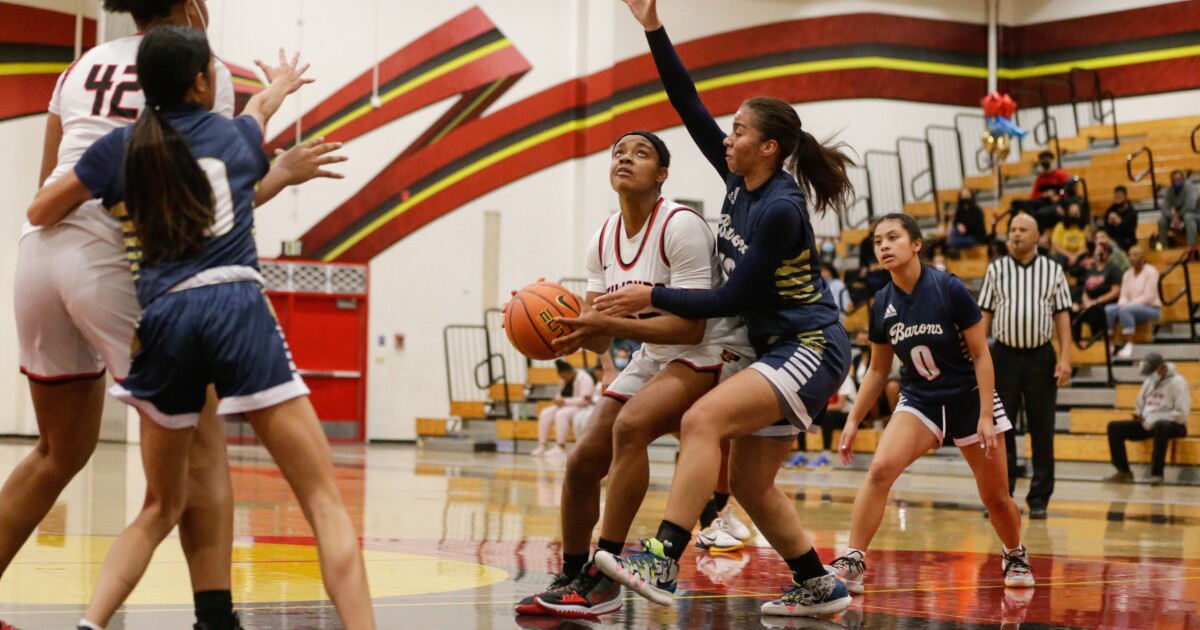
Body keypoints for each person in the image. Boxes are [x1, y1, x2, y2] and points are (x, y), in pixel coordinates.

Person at [1, 2, 342, 629]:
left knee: (56, 450)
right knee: (203, 445)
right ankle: (214, 616)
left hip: (38, 256)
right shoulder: (204, 69)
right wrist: (285, 174)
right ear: (192, 9)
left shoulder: (81, 65)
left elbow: (50, 180)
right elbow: (212, 193)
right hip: (119, 259)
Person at [589, 0, 855, 617]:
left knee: (701, 423)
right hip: (780, 348)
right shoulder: (742, 178)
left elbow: (731, 299)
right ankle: (819, 584)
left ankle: (662, 557)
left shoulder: (782, 208)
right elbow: (688, 105)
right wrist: (654, 28)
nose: (726, 137)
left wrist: (649, 294)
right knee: (752, 484)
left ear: (767, 147)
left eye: (737, 132)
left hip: (810, 346)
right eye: (729, 130)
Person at [514, 130, 756, 618]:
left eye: (640, 153)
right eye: (618, 153)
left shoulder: (681, 226)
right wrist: (554, 325)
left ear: (662, 174)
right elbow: (600, 336)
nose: (626, 158)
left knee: (631, 426)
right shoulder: (603, 238)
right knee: (583, 458)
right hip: (655, 353)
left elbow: (692, 326)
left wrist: (609, 325)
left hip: (716, 349)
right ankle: (574, 571)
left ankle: (608, 577)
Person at [828, 213, 1033, 594]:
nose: (884, 245)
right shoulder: (881, 303)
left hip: (970, 398)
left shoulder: (949, 288)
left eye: (893, 237)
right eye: (877, 241)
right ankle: (853, 559)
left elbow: (981, 355)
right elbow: (877, 370)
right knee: (879, 471)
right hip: (921, 401)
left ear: (916, 244)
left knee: (996, 498)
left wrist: (987, 415)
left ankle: (1014, 553)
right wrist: (854, 419)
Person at [978, 213, 1073, 520]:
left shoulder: (1052, 269)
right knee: (1000, 431)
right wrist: (979, 357)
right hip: (1003, 356)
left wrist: (1065, 357)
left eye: (1022, 230)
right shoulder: (997, 269)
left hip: (1040, 357)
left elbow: (1062, 316)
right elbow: (985, 314)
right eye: (1012, 229)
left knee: (1042, 430)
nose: (1015, 234)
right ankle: (1000, 495)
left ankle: (1040, 498)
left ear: (1036, 237)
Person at [1106, 353, 1191, 485]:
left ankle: (1157, 474)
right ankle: (1124, 472)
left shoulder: (1178, 382)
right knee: (1114, 427)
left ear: (1161, 368)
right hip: (1149, 423)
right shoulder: (1149, 381)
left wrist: (1156, 419)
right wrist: (1139, 414)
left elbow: (1182, 414)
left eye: (1152, 372)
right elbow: (1140, 403)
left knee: (1161, 426)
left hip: (1174, 425)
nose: (1150, 375)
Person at [531, 360, 596, 457]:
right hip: (564, 406)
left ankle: (560, 447)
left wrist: (565, 401)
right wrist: (558, 400)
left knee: (561, 414)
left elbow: (585, 400)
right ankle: (542, 445)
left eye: (564, 377)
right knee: (545, 413)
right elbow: (559, 395)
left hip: (582, 408)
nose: (563, 379)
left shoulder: (585, 379)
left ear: (569, 372)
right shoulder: (563, 381)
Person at [1106, 246, 1161, 359]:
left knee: (1126, 310)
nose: (1132, 258)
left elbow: (1149, 296)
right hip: (1129, 307)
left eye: (1135, 255)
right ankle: (1110, 343)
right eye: (1130, 255)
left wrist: (1128, 305)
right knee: (1109, 310)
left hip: (1151, 308)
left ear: (1143, 258)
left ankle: (1130, 344)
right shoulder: (1127, 274)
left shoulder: (1151, 272)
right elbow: (1123, 295)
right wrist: (1123, 303)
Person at [1071, 241, 1122, 342]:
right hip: (1089, 303)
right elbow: (1084, 289)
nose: (1099, 254)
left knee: (1093, 312)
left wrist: (1096, 301)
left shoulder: (1114, 269)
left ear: (1108, 253)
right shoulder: (1091, 269)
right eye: (1097, 251)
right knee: (1073, 311)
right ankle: (1076, 342)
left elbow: (1116, 291)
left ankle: (1098, 342)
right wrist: (1086, 302)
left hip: (1105, 304)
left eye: (1102, 252)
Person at [1158, 170, 1198, 252]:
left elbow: (1190, 206)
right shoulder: (1170, 190)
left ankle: (1192, 249)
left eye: (1179, 180)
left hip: (1196, 216)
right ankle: (1164, 249)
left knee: (1188, 217)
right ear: (1171, 181)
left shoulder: (1191, 188)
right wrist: (1173, 216)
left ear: (1183, 179)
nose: (1177, 182)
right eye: (1174, 180)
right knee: (1162, 220)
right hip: (1179, 218)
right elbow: (1164, 208)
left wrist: (1177, 216)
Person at [1052, 202, 1088, 276]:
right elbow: (1056, 245)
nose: (1074, 216)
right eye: (1071, 213)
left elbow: (1085, 247)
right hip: (1063, 256)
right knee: (1058, 257)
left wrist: (1075, 256)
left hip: (1079, 257)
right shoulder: (1060, 226)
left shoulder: (1085, 228)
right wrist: (1070, 256)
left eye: (1076, 214)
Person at [1103, 185, 1138, 252]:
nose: (1117, 200)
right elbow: (1106, 228)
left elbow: (1131, 231)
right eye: (1116, 197)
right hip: (1113, 240)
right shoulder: (1110, 210)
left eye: (1120, 197)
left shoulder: (1132, 213)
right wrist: (1108, 223)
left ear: (1125, 197)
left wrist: (1120, 223)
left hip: (1128, 241)